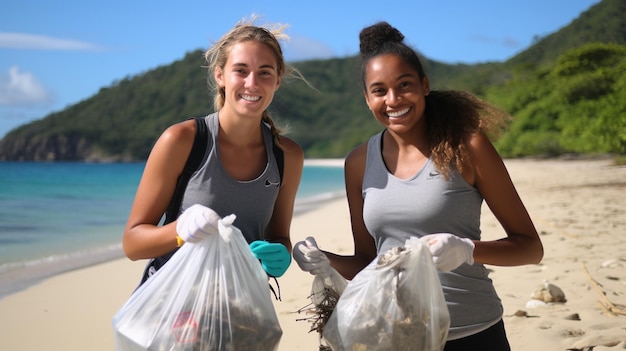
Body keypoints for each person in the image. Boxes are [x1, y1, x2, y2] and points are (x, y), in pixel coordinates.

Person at [293, 21, 543, 350]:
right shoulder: (358, 162)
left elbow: (530, 248)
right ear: (367, 99)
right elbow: (369, 262)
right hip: (393, 335)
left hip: (473, 332)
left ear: (424, 85)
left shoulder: (466, 147)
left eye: (405, 85)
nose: (393, 99)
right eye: (380, 90)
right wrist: (324, 259)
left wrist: (467, 250)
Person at [123, 16, 306, 286]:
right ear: (220, 75)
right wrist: (180, 231)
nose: (252, 83)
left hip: (245, 308)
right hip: (174, 305)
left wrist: (282, 255)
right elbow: (133, 244)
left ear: (277, 80)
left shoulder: (287, 156)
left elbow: (279, 237)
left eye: (265, 72)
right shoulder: (183, 140)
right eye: (241, 70)